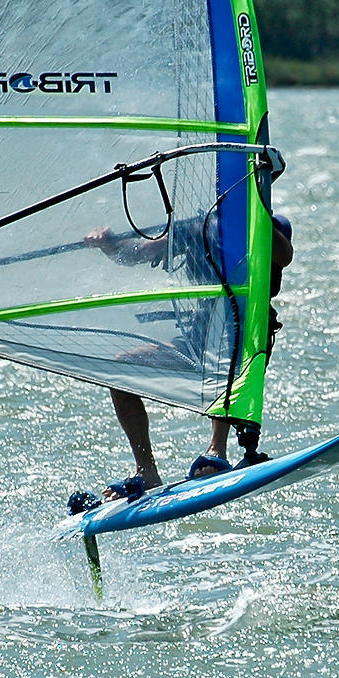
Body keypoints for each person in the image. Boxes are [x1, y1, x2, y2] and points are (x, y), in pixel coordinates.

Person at [77, 211, 293, 506]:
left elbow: (284, 255)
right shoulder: (199, 227)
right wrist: (108, 245)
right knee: (121, 367)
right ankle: (146, 469)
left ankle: (218, 450)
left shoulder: (271, 224)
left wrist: (252, 212)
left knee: (226, 349)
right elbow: (137, 253)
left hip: (247, 335)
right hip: (199, 333)